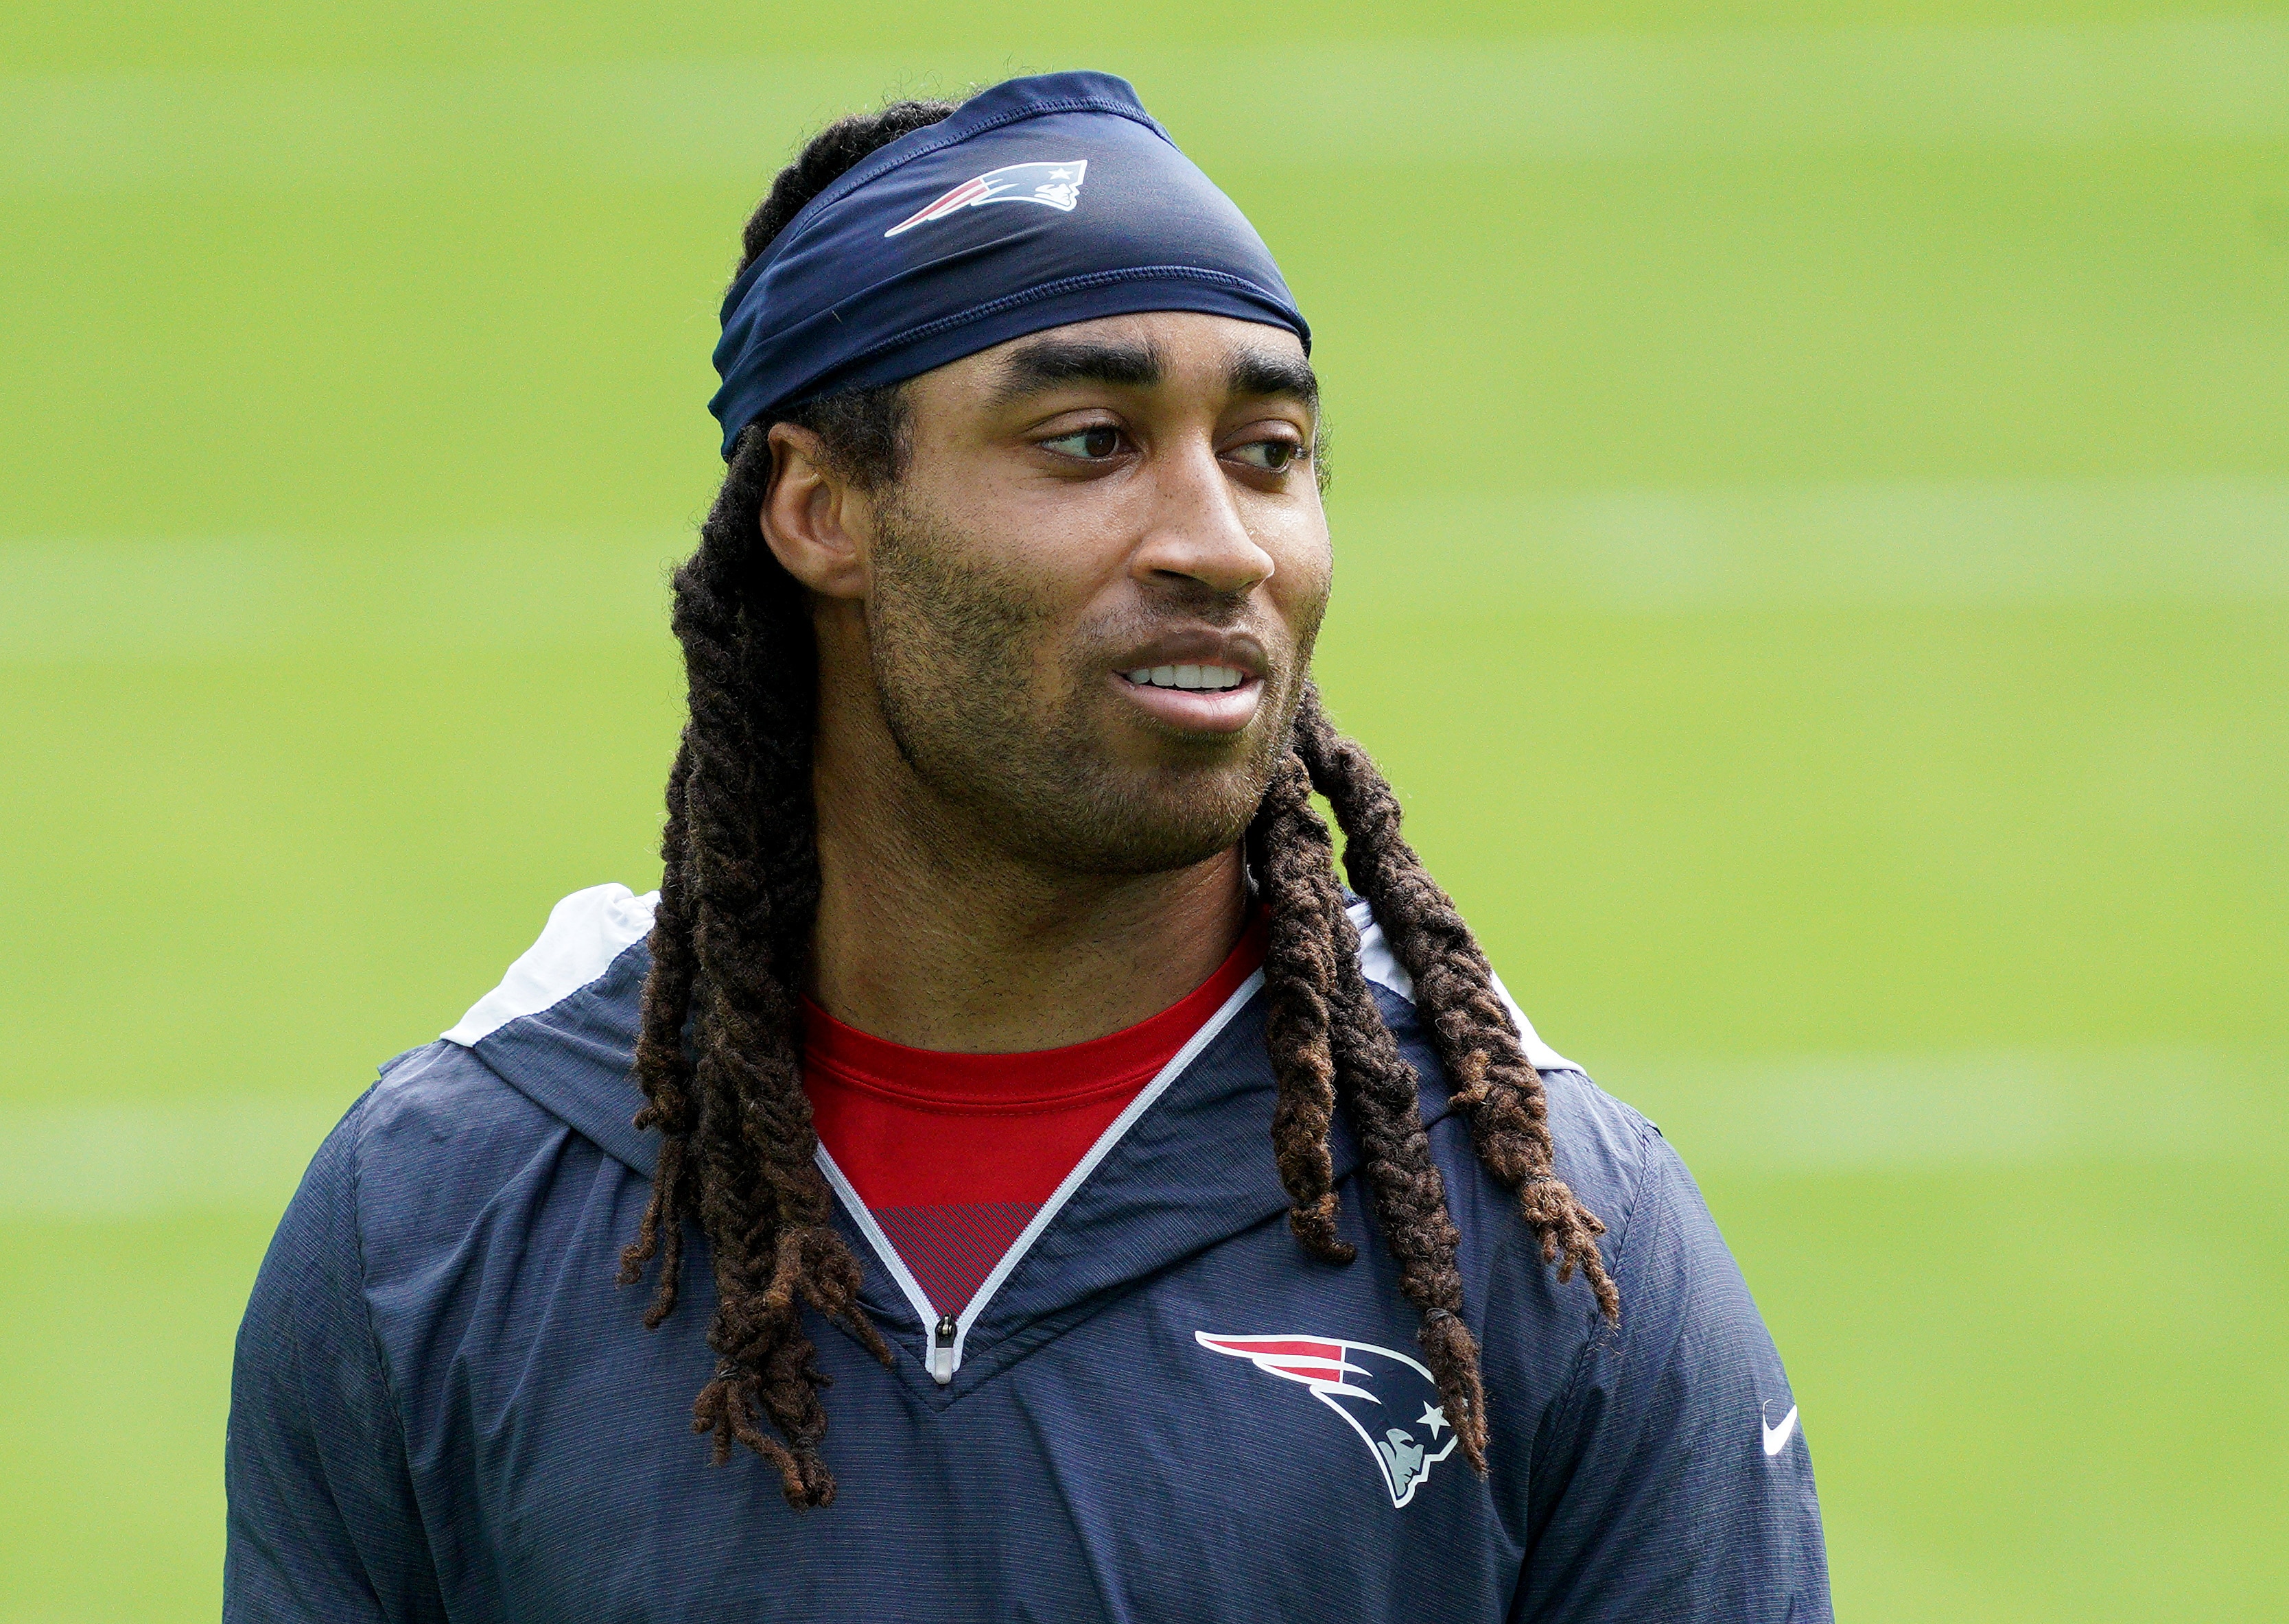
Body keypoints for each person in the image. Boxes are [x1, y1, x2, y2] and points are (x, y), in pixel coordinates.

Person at [224, 71, 1830, 1622]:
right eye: (1090, 440)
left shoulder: (1552, 1246)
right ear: (821, 509)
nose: (1219, 541)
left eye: (1267, 453)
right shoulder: (444, 1213)